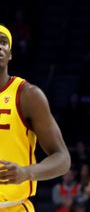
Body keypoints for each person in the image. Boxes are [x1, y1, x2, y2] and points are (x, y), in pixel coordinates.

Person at [0, 24, 71, 211]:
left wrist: (26, 172)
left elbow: (63, 158)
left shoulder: (27, 95)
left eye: (3, 42)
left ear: (10, 54)